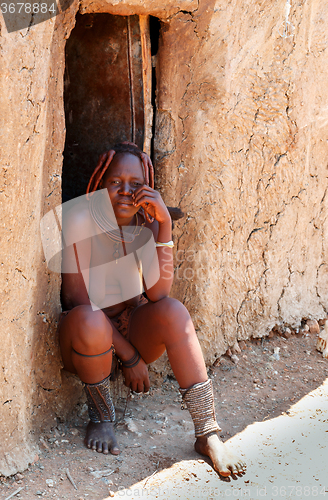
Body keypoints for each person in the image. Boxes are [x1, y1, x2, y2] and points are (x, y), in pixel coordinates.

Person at [58, 142, 246, 477]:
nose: (126, 192)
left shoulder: (145, 223)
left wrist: (163, 226)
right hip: (86, 339)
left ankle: (208, 432)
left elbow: (159, 293)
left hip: (130, 325)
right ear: (101, 183)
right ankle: (102, 418)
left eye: (136, 184)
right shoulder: (79, 219)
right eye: (116, 183)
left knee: (174, 312)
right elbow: (78, 301)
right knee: (88, 320)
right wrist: (130, 356)